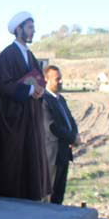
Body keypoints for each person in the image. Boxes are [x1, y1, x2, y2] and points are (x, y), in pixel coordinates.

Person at [0, 11, 51, 200]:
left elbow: (39, 80)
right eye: (30, 27)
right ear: (18, 29)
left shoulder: (30, 55)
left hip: (30, 115)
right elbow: (4, 85)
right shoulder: (8, 54)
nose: (33, 31)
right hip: (13, 117)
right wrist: (29, 90)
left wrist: (39, 91)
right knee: (13, 157)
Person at [42, 65, 81, 205]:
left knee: (59, 193)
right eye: (57, 79)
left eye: (61, 78)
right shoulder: (44, 100)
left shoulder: (61, 99)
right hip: (53, 154)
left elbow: (70, 119)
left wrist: (75, 134)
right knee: (50, 194)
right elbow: (52, 126)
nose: (60, 81)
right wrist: (72, 138)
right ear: (46, 80)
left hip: (64, 153)